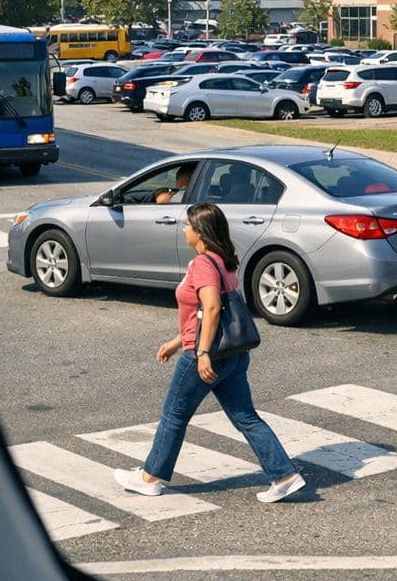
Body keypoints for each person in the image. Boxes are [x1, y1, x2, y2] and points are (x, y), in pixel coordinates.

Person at [114, 202, 306, 504]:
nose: (184, 229)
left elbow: (214, 307)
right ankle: (285, 475)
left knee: (173, 414)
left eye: (188, 225)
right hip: (232, 353)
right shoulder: (223, 261)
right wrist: (177, 340)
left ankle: (151, 478)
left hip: (207, 355)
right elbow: (206, 313)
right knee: (245, 417)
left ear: (200, 232)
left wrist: (200, 352)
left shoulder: (204, 263)